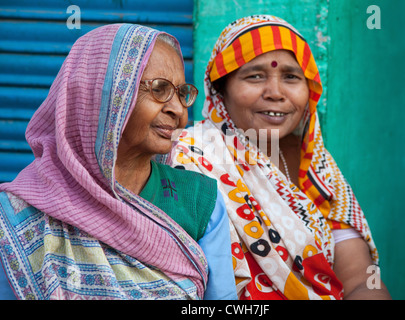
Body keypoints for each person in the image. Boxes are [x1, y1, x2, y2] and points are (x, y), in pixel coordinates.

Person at [0, 23, 236, 300]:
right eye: (159, 89)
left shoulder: (199, 201)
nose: (178, 110)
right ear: (99, 93)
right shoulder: (17, 214)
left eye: (182, 93)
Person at [170, 15, 391, 300]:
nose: (275, 93)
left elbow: (360, 279)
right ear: (221, 90)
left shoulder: (317, 168)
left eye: (291, 77)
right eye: (255, 76)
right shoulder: (189, 158)